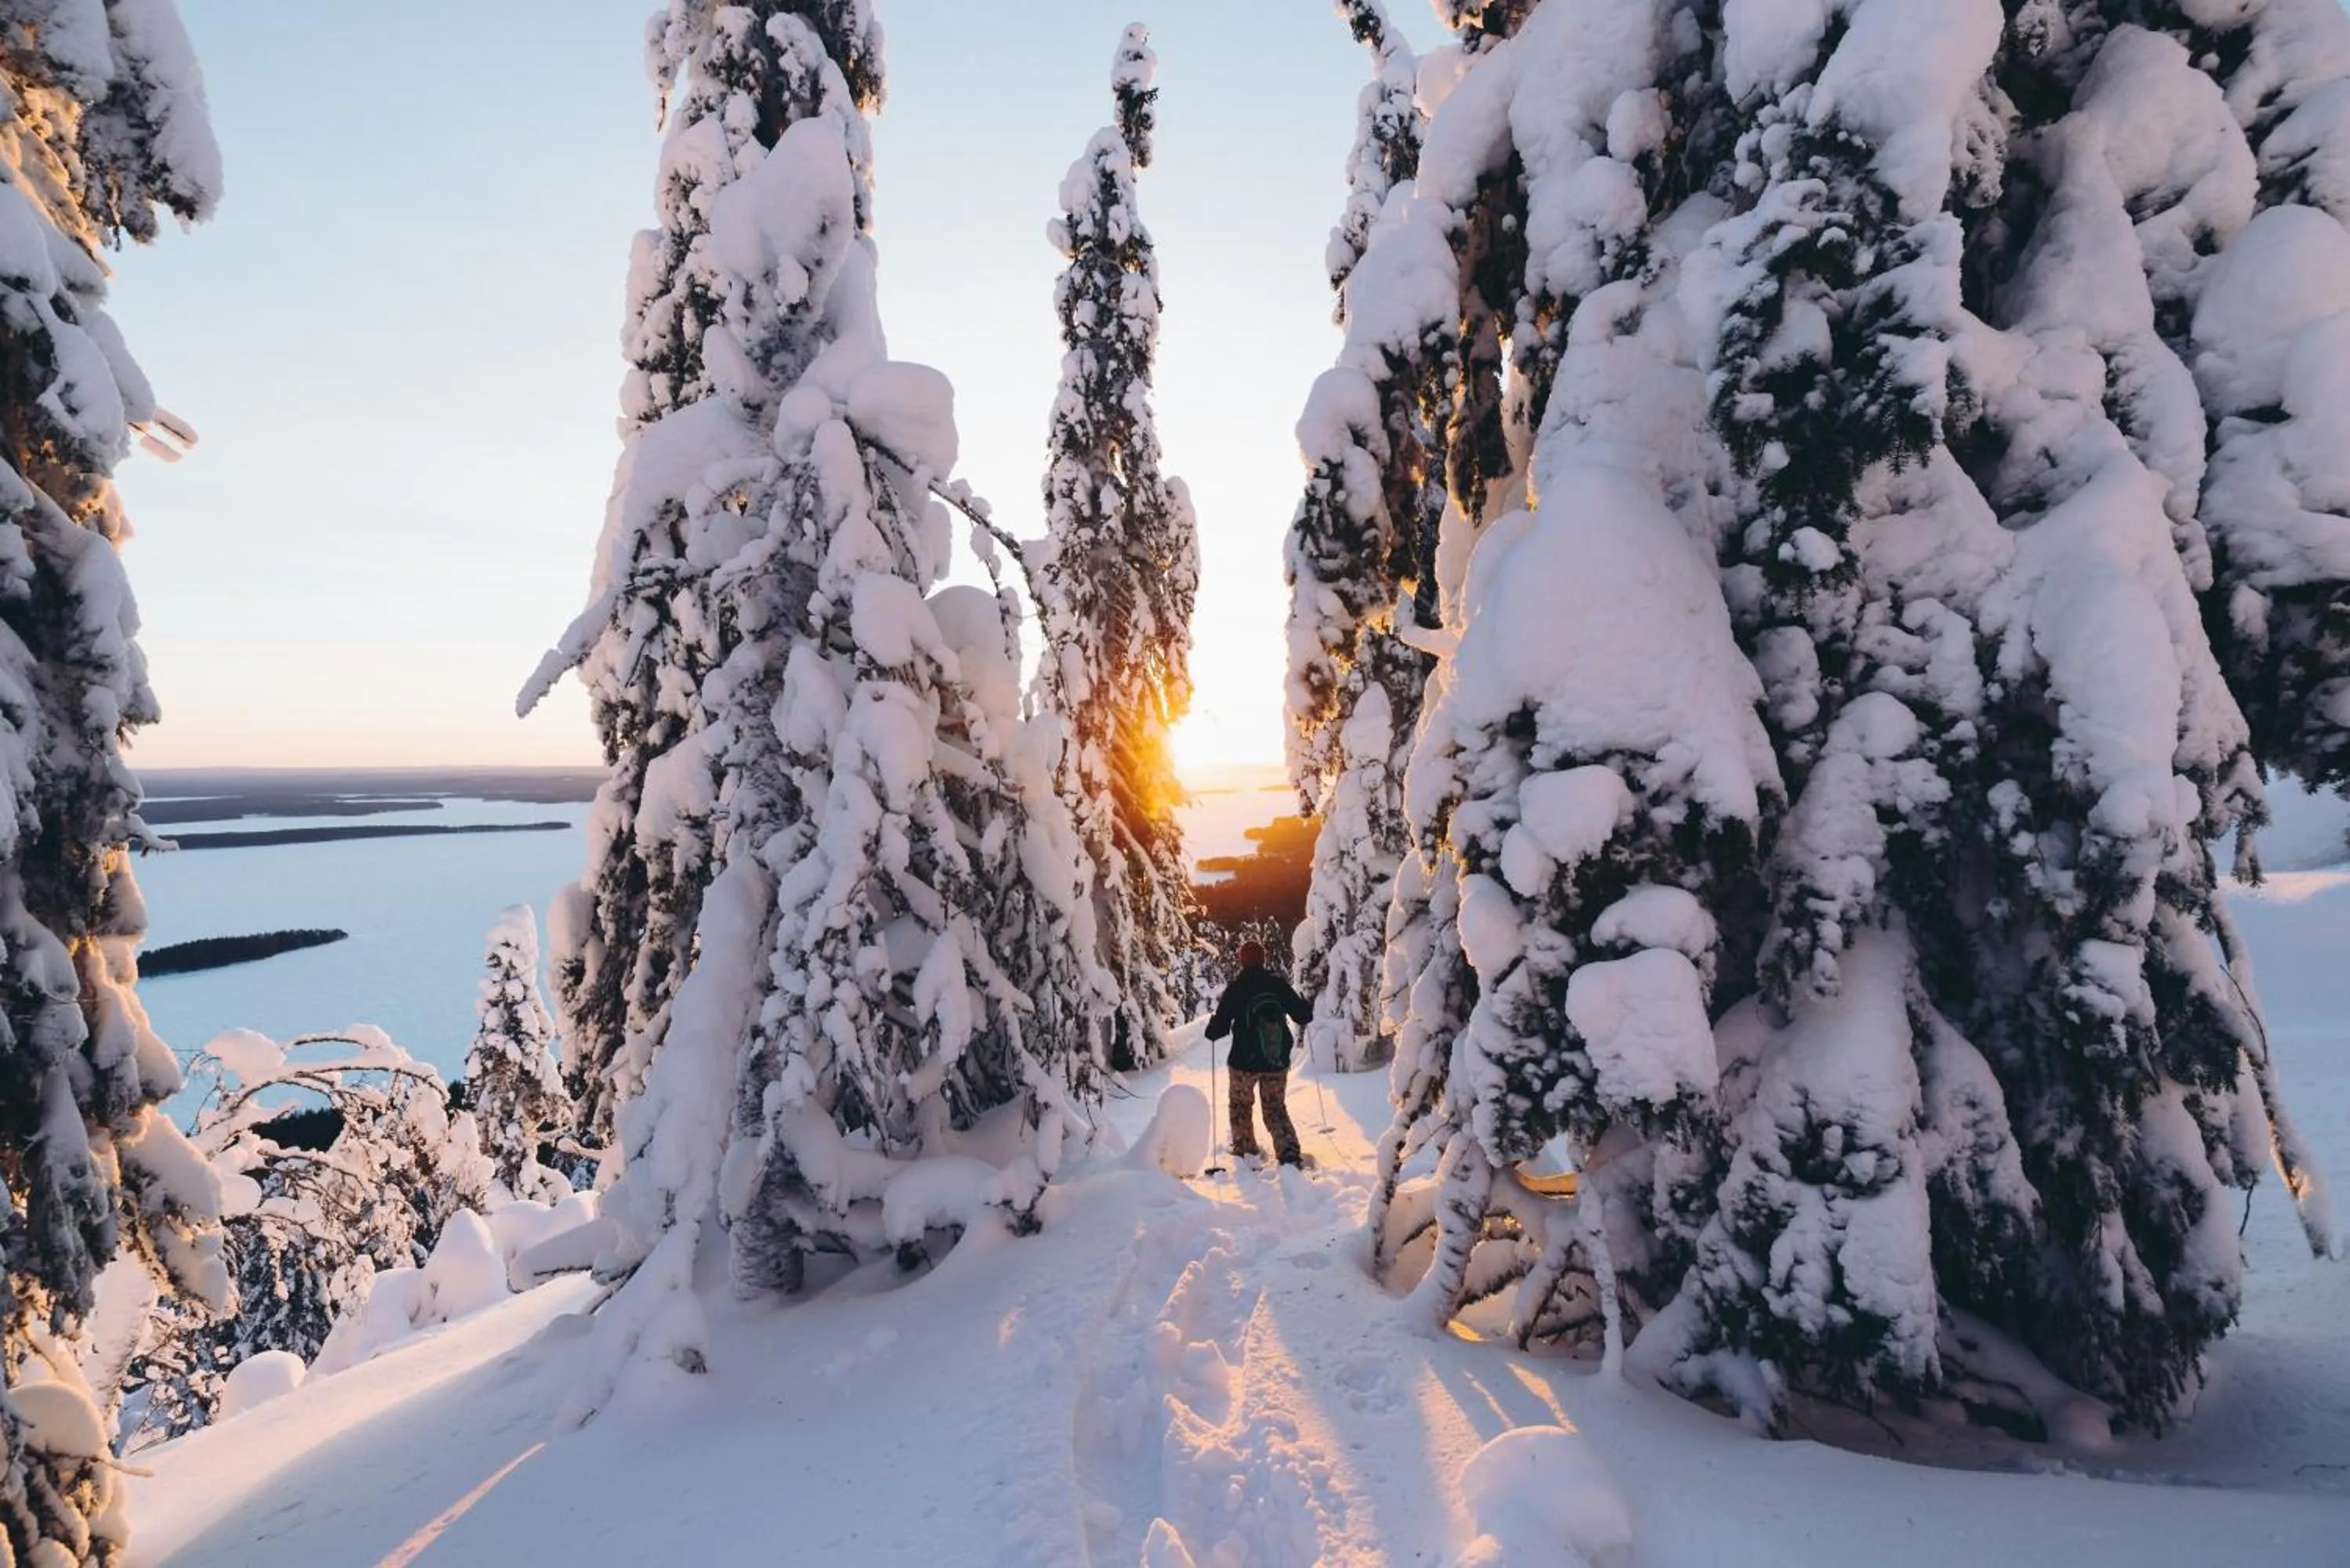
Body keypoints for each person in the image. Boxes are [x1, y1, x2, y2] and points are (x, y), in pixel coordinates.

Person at [1204, 940, 1312, 1167]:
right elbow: (1302, 1016)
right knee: (1275, 1108)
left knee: (1240, 1106)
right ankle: (1289, 1153)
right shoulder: (1277, 984)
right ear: (1263, 960)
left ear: (1241, 960)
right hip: (1276, 1060)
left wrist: (1212, 1026)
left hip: (1243, 1063)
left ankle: (1246, 1152)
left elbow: (1218, 1030)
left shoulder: (1236, 988)